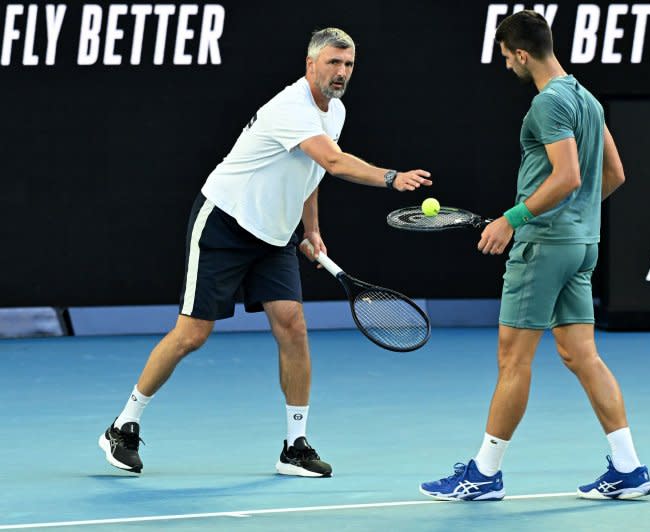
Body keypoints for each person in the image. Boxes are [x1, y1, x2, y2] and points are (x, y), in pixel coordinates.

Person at [98, 27, 432, 478]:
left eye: (349, 64)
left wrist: (311, 231)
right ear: (311, 64)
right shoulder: (290, 107)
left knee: (293, 327)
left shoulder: (335, 111)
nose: (341, 72)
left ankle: (295, 445)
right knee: (192, 335)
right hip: (225, 222)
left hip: (275, 236)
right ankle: (124, 424)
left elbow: (314, 172)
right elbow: (334, 162)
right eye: (333, 63)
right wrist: (390, 177)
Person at [419, 11, 650, 500]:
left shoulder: (547, 105)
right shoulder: (587, 99)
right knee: (581, 354)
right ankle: (630, 469)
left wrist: (515, 219)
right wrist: (575, 220)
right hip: (581, 246)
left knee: (513, 360)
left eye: (507, 58)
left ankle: (484, 474)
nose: (507, 67)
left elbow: (567, 176)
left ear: (522, 54)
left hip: (543, 248)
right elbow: (614, 174)